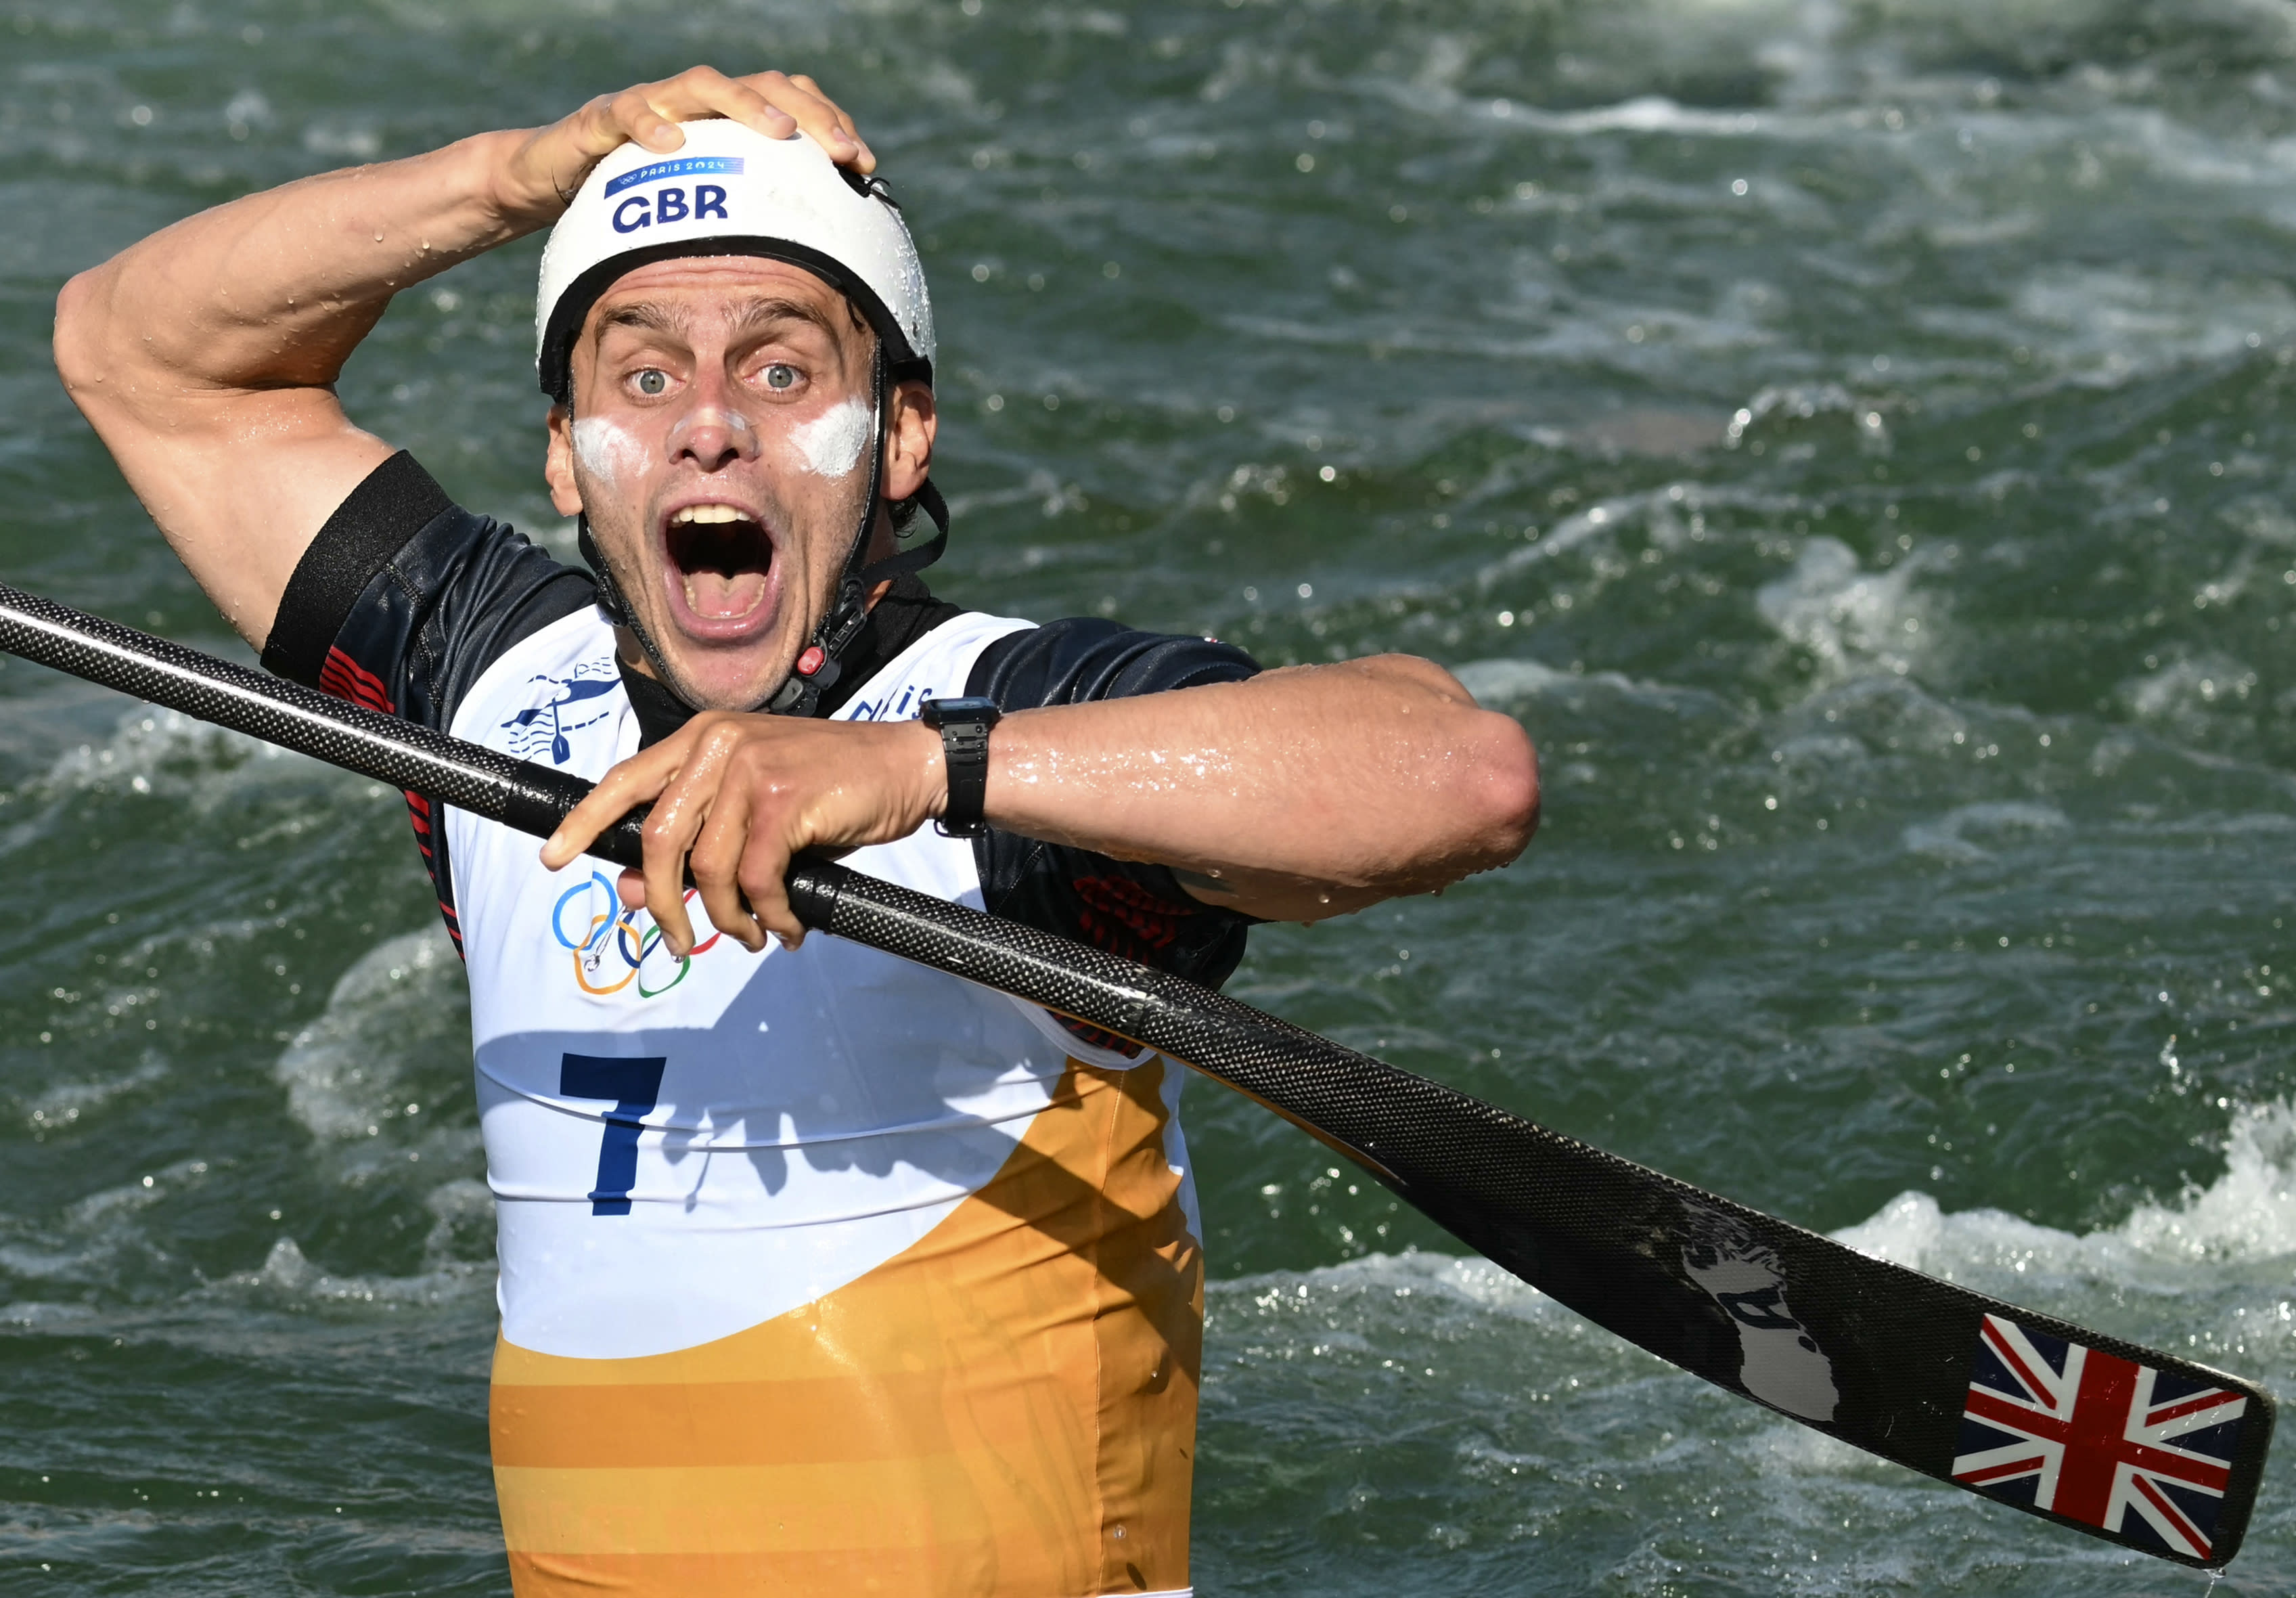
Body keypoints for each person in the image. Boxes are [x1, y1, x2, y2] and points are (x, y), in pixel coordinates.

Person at [53, 67, 1538, 1598]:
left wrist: (912, 770)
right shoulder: (481, 679)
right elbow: (137, 350)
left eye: (779, 373)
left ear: (898, 437)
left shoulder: (1017, 725)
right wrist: (513, 179)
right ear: (564, 452)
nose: (708, 428)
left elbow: (1454, 773)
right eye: (641, 378)